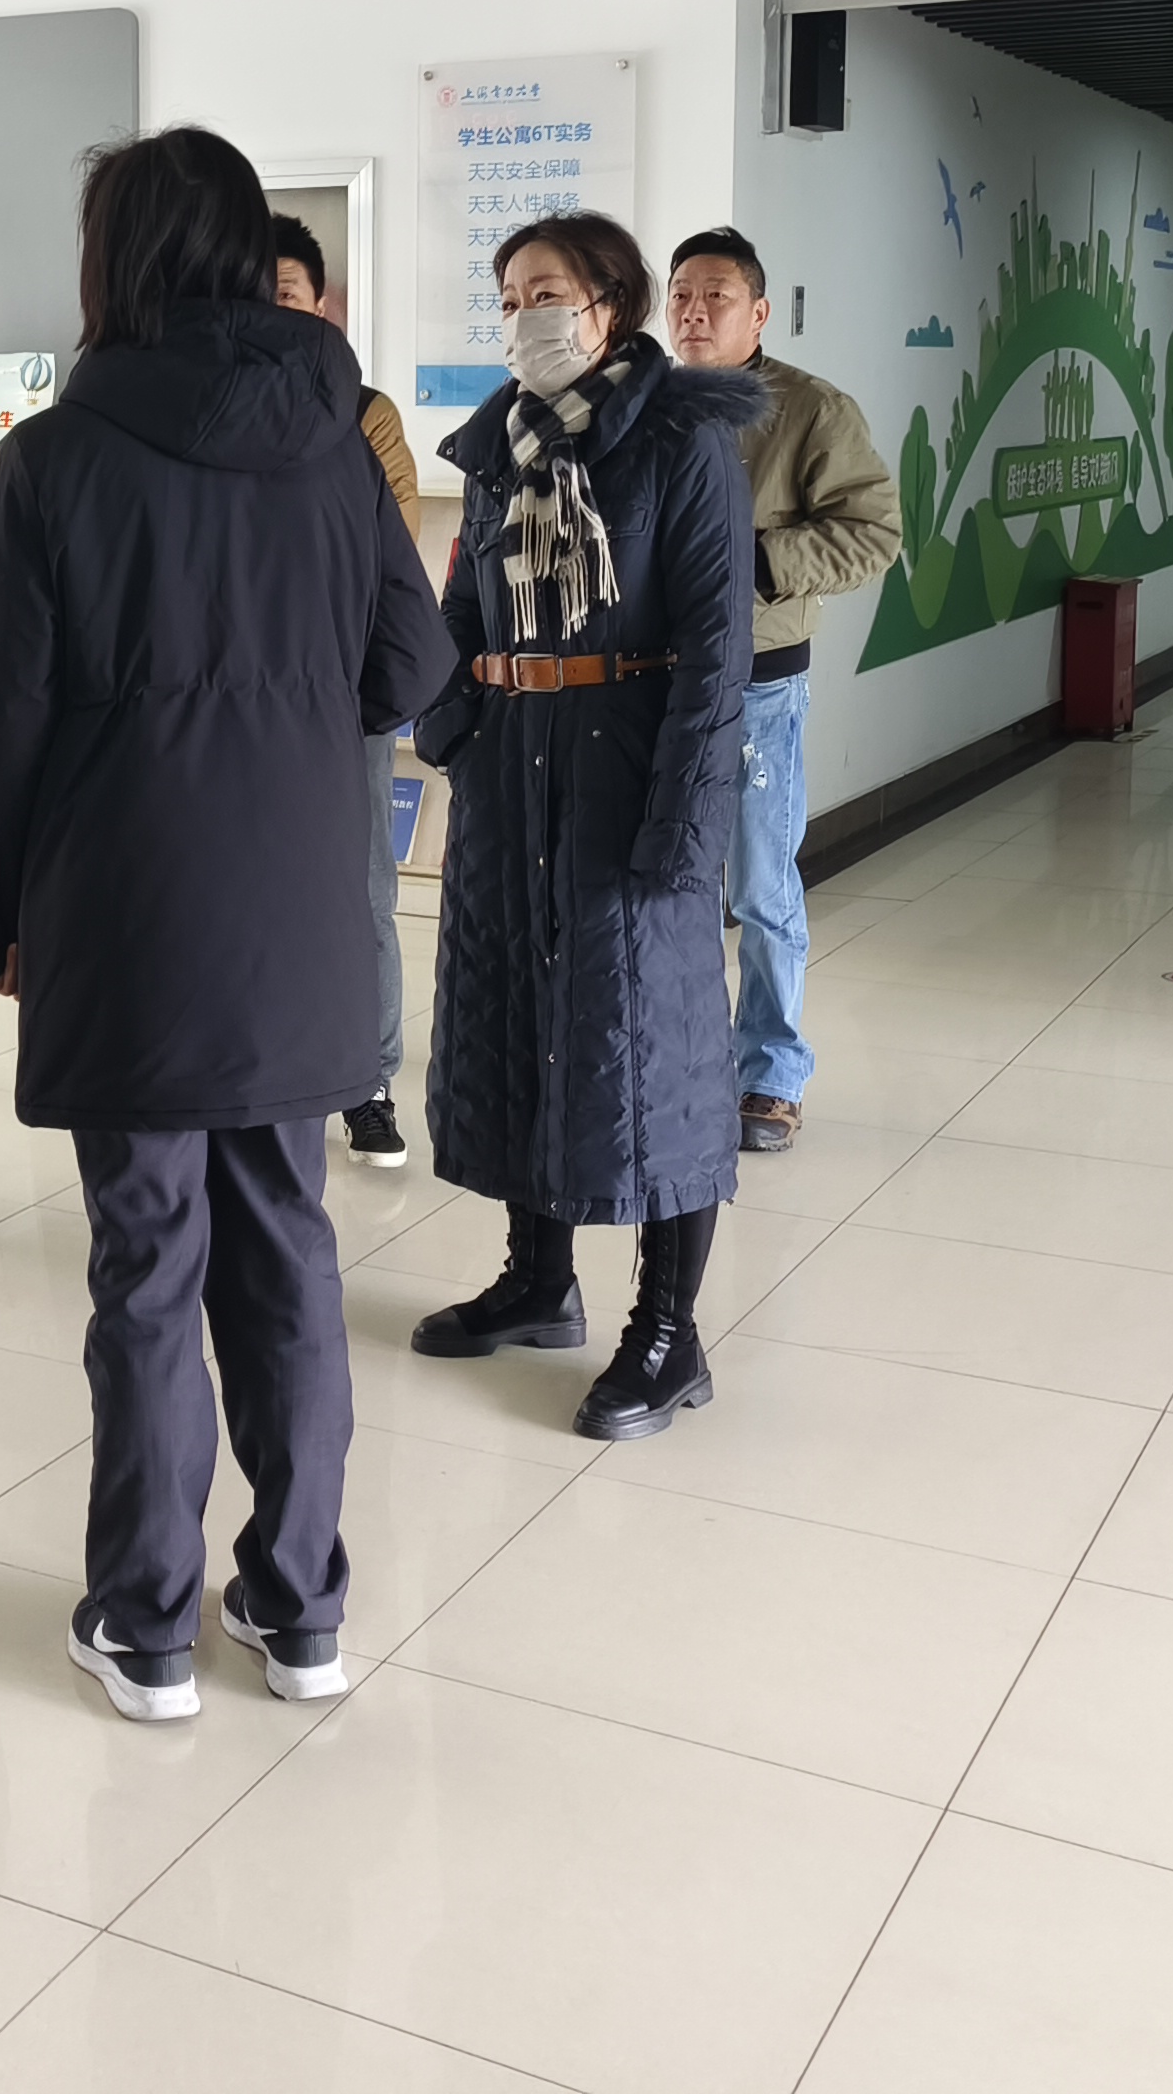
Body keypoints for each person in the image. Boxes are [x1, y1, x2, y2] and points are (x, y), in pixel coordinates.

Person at [0, 128, 452, 1720]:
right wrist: (289, 718)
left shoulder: (52, 459)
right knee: (288, 1250)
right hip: (295, 905)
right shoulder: (333, 445)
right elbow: (413, 667)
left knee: (149, 1262)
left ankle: (147, 1622)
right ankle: (300, 1613)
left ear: (112, 258)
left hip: (125, 909)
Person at [408, 211, 761, 1443]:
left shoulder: (683, 441)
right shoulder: (499, 448)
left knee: (653, 1050)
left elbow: (718, 650)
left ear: (611, 303)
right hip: (512, 773)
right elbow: (460, 610)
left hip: (629, 774)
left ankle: (668, 1332)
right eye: (508, 298)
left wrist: (685, 824)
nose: (525, 318)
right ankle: (537, 1279)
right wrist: (451, 731)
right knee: (522, 1026)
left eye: (546, 292)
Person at [664, 227, 902, 1154]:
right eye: (681, 294)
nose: (694, 311)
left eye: (716, 296)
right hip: (653, 683)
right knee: (670, 883)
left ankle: (770, 1074)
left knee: (761, 886)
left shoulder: (811, 410)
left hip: (759, 684)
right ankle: (683, 1062)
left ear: (759, 313)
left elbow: (874, 534)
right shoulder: (643, 402)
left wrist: (756, 563)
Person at [269, 215, 425, 1169]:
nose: (270, 309)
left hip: (340, 685)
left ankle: (370, 1079)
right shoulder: (207, 410)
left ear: (318, 302)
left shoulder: (364, 411)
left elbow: (390, 537)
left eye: (285, 293)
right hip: (245, 693)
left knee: (362, 885)